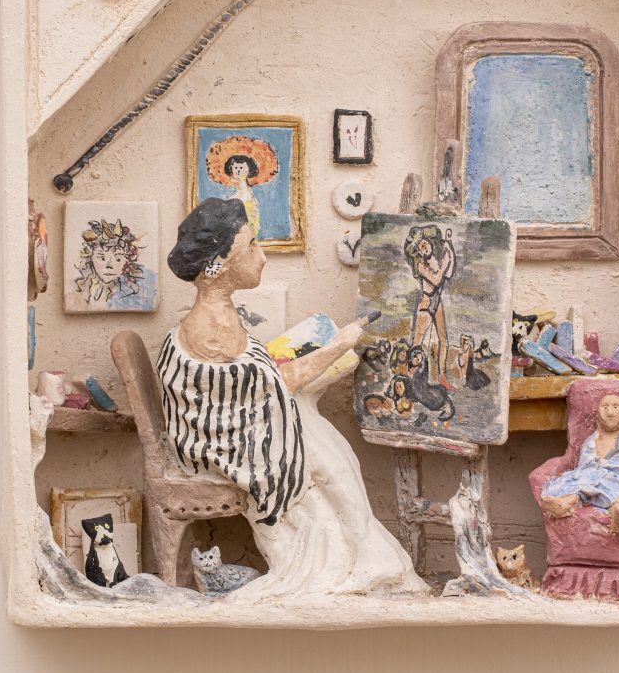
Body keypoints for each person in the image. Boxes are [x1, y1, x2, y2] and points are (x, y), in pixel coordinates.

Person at [156, 198, 428, 601]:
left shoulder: (222, 314)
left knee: (318, 437)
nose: (262, 256)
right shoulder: (213, 323)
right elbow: (276, 383)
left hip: (243, 422)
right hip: (224, 442)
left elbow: (255, 384)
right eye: (251, 246)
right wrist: (339, 345)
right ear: (220, 263)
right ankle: (354, 558)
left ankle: (366, 551)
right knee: (318, 447)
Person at [539, 393, 619, 535]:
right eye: (605, 407)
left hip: (615, 481)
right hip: (591, 480)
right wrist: (595, 469)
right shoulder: (590, 442)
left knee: (612, 489)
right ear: (597, 414)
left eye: (616, 407)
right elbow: (584, 466)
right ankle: (565, 503)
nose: (610, 412)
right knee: (582, 482)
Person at [403, 224, 456, 389]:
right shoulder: (420, 265)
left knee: (443, 340)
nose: (424, 248)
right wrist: (445, 262)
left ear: (430, 242)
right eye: (421, 247)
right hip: (426, 302)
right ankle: (409, 375)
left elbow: (449, 272)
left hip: (437, 300)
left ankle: (442, 376)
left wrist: (449, 247)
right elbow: (436, 280)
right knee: (417, 341)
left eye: (425, 243)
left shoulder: (436, 259)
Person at [73, 218, 156, 310]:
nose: (109, 266)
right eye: (102, 258)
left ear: (127, 261)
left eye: (118, 259)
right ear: (90, 259)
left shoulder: (134, 292)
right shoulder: (79, 289)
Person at [223, 153, 261, 236]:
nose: (238, 171)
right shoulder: (234, 194)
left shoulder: (248, 194)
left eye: (241, 168)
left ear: (248, 170)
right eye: (236, 168)